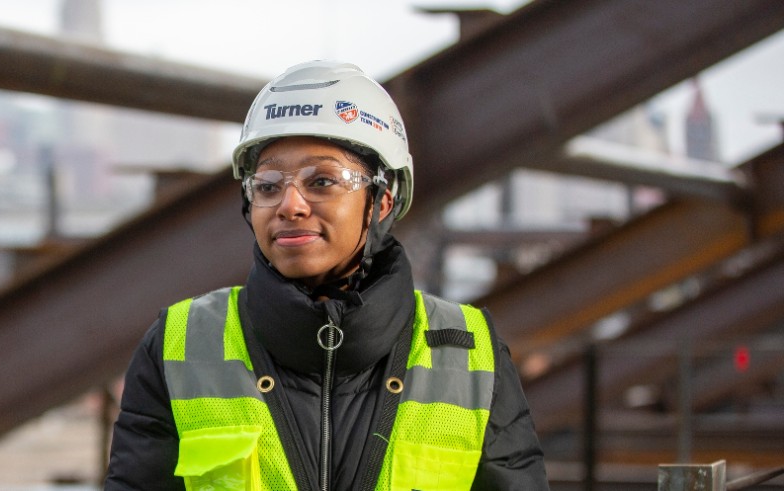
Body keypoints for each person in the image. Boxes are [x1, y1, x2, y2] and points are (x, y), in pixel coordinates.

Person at [104, 61, 548, 490]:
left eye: (322, 182)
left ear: (383, 200)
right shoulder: (181, 346)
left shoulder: (469, 354)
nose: (290, 205)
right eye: (268, 185)